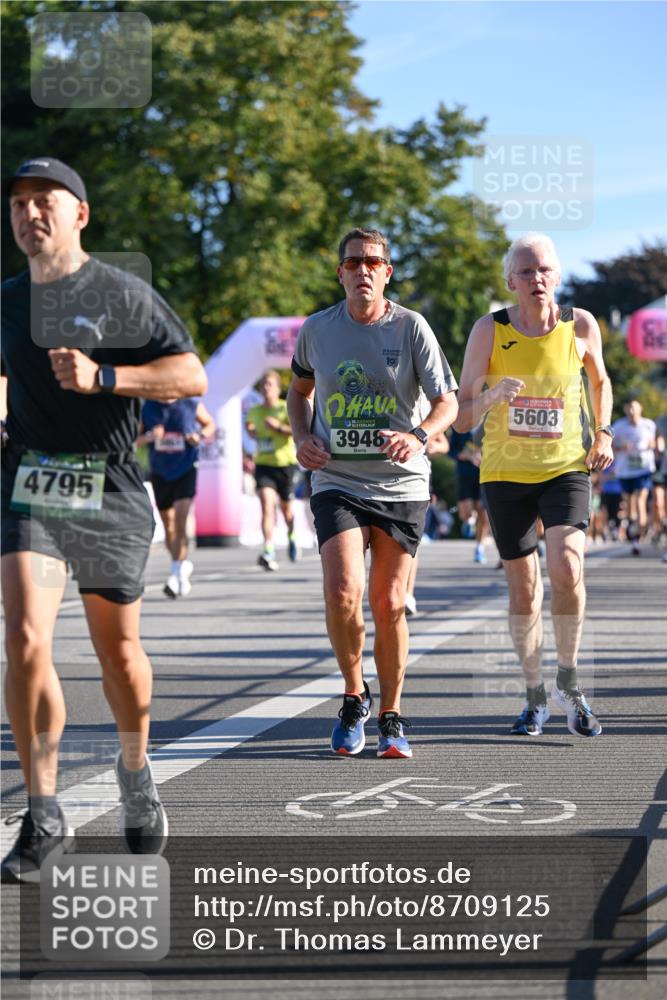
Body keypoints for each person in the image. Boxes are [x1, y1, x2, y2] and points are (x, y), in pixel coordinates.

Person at [1, 157, 207, 882]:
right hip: (32, 483)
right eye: (18, 203)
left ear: (79, 214)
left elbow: (190, 374)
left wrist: (107, 377)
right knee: (25, 637)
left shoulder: (119, 294)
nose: (29, 213)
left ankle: (135, 769)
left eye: (44, 201)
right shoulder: (6, 299)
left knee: (117, 654)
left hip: (111, 484)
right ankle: (44, 813)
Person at [287, 227, 458, 758]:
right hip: (337, 478)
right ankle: (353, 695)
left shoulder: (411, 327)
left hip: (402, 483)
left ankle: (392, 713)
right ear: (340, 272)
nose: (363, 270)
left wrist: (419, 436)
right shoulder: (317, 329)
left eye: (373, 262)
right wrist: (301, 436)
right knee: (342, 592)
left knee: (387, 604)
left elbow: (447, 401)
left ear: (387, 272)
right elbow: (299, 391)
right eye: (353, 262)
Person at [454, 232, 613, 739]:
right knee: (523, 589)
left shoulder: (580, 324)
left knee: (566, 566)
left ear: (558, 277)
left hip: (565, 465)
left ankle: (568, 678)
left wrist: (603, 432)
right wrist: (492, 397)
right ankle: (534, 694)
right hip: (505, 472)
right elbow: (459, 417)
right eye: (525, 272)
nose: (536, 279)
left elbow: (601, 381)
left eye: (544, 270)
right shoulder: (489, 330)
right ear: (510, 282)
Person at [137, 397, 215, 597]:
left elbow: (210, 424)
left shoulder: (190, 404)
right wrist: (149, 437)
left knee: (181, 519)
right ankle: (180, 567)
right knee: (169, 524)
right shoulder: (149, 406)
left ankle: (175, 574)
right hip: (160, 471)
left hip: (186, 468)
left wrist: (199, 435)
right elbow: (133, 441)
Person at [246, 370, 300, 571]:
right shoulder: (255, 411)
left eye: (270, 384)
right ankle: (268, 549)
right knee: (267, 505)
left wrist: (278, 428)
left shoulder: (285, 408)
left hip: (285, 465)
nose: (266, 388)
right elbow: (249, 427)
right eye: (263, 385)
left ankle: (292, 535)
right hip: (263, 465)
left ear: (278, 388)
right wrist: (250, 430)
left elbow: (298, 432)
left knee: (287, 510)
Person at [611, 398, 657, 556]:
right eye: (629, 408)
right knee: (630, 505)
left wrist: (653, 445)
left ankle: (639, 536)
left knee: (640, 500)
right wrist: (621, 447)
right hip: (625, 470)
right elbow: (611, 445)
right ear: (625, 410)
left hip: (643, 469)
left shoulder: (649, 424)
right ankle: (635, 534)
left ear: (640, 409)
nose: (631, 412)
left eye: (634, 408)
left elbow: (654, 442)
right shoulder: (618, 426)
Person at [448, 426, 490, 563]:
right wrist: (464, 454)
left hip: (485, 474)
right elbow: (451, 450)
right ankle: (469, 521)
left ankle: (479, 548)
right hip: (465, 473)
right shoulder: (461, 425)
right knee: (466, 511)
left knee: (483, 512)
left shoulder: (491, 424)